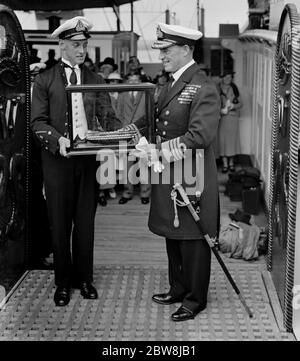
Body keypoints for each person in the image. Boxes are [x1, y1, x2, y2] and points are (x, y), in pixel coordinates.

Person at [133, 23, 220, 321]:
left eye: (167, 50)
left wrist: (157, 150)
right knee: (174, 234)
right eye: (161, 51)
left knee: (194, 238)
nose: (162, 56)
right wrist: (122, 133)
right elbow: (150, 122)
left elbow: (199, 137)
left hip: (192, 177)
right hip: (170, 175)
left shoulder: (203, 86)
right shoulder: (169, 84)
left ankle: (196, 299)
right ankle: (179, 287)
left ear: (186, 50)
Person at [31, 16, 109, 307]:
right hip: (57, 162)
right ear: (61, 45)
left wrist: (124, 138)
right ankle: (62, 283)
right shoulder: (45, 79)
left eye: (85, 45)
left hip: (87, 161)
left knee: (85, 223)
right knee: (60, 223)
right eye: (76, 45)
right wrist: (57, 140)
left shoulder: (95, 79)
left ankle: (84, 279)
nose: (82, 50)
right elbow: (37, 122)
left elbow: (107, 118)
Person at [116, 72, 151, 205]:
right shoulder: (122, 95)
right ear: (127, 81)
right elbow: (118, 114)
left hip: (142, 134)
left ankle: (145, 193)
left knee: (143, 164)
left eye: (136, 80)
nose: (133, 83)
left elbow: (148, 114)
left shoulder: (146, 95)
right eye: (130, 80)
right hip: (125, 134)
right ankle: (127, 192)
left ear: (140, 81)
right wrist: (121, 131)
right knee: (127, 165)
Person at [218, 71, 242, 173]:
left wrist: (233, 106)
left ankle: (231, 164)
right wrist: (221, 110)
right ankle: (225, 164)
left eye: (230, 77)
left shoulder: (235, 89)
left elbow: (241, 103)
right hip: (223, 119)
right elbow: (213, 104)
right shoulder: (217, 89)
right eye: (226, 77)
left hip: (233, 118)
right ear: (222, 78)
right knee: (223, 141)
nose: (228, 79)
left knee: (232, 142)